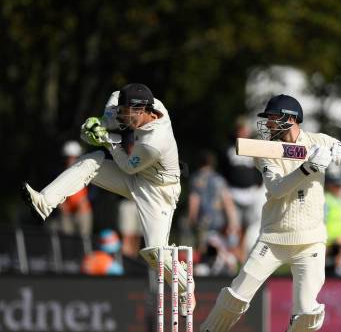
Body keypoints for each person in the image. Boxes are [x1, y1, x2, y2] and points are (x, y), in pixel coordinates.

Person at [192, 94, 341, 332]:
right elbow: (276, 189)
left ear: (290, 119)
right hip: (274, 237)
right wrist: (309, 167)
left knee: (308, 310)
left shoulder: (319, 141)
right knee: (237, 294)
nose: (267, 124)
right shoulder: (265, 151)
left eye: (273, 118)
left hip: (310, 240)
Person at [21, 83, 194, 315]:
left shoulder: (155, 141)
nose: (122, 116)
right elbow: (114, 98)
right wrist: (99, 124)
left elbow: (126, 165)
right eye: (120, 110)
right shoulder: (133, 106)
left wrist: (107, 139)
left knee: (155, 252)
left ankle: (186, 287)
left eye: (126, 112)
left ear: (142, 110)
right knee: (91, 161)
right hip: (137, 176)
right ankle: (44, 202)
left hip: (159, 191)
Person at [219, 116, 263, 258]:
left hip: (251, 193)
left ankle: (242, 254)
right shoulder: (228, 148)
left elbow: (260, 169)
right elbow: (222, 170)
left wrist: (258, 187)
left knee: (248, 225)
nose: (244, 132)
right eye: (242, 129)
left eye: (246, 130)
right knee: (233, 226)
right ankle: (232, 254)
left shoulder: (254, 148)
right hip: (233, 193)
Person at [188, 150, 239, 272]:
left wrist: (192, 219)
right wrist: (233, 222)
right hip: (219, 223)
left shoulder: (196, 179)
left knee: (204, 252)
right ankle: (224, 270)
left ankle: (205, 273)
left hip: (203, 222)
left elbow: (194, 201)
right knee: (220, 249)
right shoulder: (219, 179)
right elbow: (228, 202)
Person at [53, 141, 93, 237]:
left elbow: (94, 190)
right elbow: (54, 192)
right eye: (69, 157)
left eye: (74, 157)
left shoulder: (87, 170)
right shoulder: (59, 173)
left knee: (84, 239)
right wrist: (60, 205)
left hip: (83, 211)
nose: (71, 160)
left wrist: (86, 200)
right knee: (67, 239)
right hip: (66, 212)